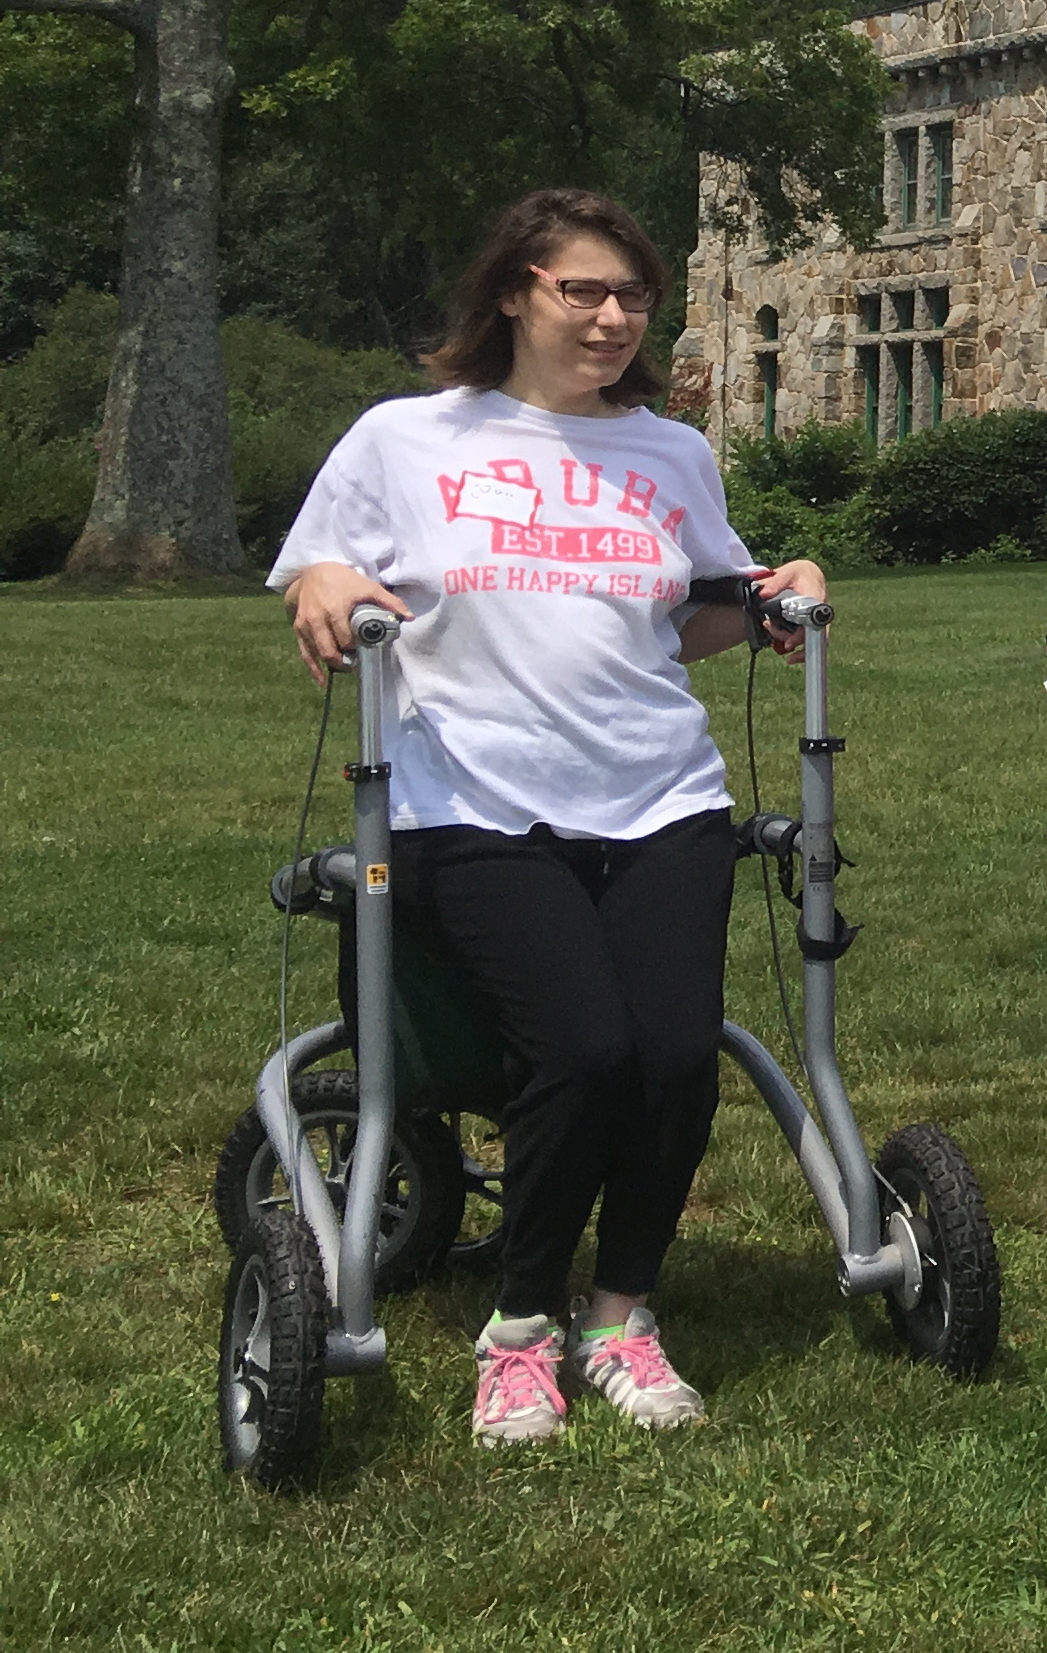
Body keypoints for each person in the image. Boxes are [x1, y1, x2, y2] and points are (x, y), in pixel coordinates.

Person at [266, 187, 826, 1447]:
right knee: (581, 1050)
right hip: (470, 795)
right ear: (516, 290)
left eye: (633, 295)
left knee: (678, 1060)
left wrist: (775, 592)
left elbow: (692, 617)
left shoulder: (669, 453)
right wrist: (329, 575)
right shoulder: (409, 438)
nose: (614, 316)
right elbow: (317, 571)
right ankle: (520, 1330)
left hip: (662, 792)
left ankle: (620, 1314)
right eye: (584, 290)